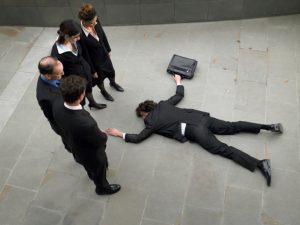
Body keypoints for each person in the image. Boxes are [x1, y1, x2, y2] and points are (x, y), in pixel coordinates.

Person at [107, 74, 284, 187]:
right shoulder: (163, 104)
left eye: (142, 116)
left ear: (144, 113)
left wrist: (119, 133)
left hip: (195, 130)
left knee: (223, 150)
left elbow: (138, 138)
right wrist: (178, 81)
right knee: (232, 126)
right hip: (201, 118)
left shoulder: (151, 122)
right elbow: (179, 95)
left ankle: (260, 163)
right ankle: (267, 127)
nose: (143, 119)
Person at [52, 75, 121, 195]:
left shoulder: (56, 104)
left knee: (89, 166)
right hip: (90, 153)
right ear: (81, 96)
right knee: (99, 169)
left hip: (74, 146)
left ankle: (90, 173)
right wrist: (102, 133)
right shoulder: (86, 124)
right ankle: (102, 188)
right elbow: (100, 140)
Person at [51, 19, 106, 110]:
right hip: (75, 80)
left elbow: (85, 55)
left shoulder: (74, 40)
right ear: (67, 36)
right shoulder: (57, 53)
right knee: (80, 99)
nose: (79, 39)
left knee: (88, 89)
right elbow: (60, 75)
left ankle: (92, 103)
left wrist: (92, 70)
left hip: (85, 72)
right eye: (76, 37)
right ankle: (82, 109)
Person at [78, 3, 124, 102]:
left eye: (96, 20)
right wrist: (92, 70)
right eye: (93, 22)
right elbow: (85, 54)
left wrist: (108, 49)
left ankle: (113, 83)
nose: (96, 23)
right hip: (95, 61)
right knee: (99, 79)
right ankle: (103, 91)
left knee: (111, 72)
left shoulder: (95, 20)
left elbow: (103, 34)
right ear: (87, 22)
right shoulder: (80, 34)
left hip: (104, 54)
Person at [36, 56, 70, 152]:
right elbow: (52, 117)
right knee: (69, 141)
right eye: (59, 74)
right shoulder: (45, 98)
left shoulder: (50, 75)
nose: (63, 74)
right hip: (64, 125)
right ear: (48, 76)